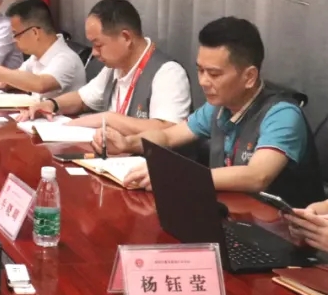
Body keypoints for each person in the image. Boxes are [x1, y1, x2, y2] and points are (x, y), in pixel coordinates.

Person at [94, 17, 324, 207]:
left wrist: (176, 175)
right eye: (200, 70)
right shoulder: (218, 107)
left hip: (287, 234)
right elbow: (169, 136)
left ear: (249, 77)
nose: (203, 82)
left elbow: (257, 176)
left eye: (214, 74)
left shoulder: (282, 114)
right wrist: (127, 143)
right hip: (231, 216)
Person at [20, 0, 191, 135]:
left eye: (98, 45)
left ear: (126, 37)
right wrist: (52, 104)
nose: (94, 52)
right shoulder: (113, 67)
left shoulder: (167, 73)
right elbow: (82, 98)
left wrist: (110, 119)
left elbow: (168, 129)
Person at [0, 0, 86, 98]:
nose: (13, 39)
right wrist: (4, 81)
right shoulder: (36, 56)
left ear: (35, 32)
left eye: (15, 34)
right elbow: (20, 75)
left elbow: (40, 84)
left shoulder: (66, 58)